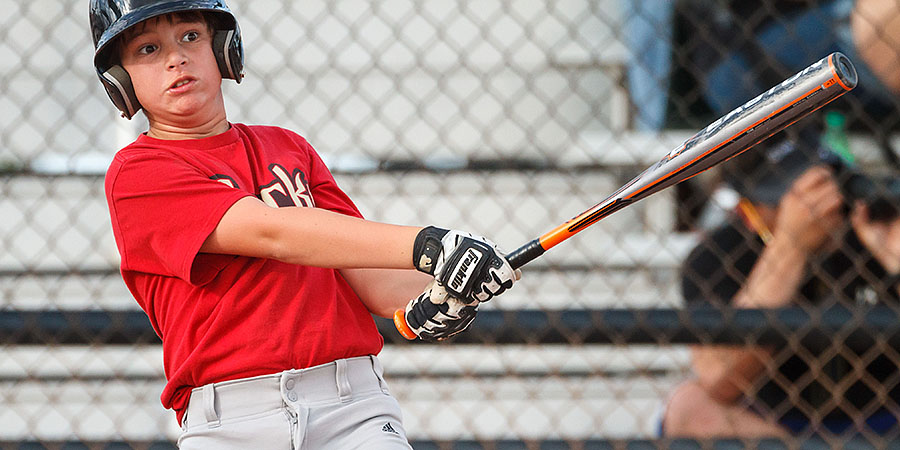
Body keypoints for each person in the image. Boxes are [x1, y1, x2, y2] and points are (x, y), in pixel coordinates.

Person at [89, 1, 519, 447]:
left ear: (223, 48)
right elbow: (271, 233)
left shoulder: (287, 146)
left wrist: (447, 287)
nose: (175, 58)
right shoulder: (138, 172)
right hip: (231, 422)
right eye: (147, 49)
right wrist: (432, 246)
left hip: (353, 407)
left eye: (191, 36)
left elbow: (369, 274)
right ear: (120, 81)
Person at [662, 141, 900, 438]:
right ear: (750, 210)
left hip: (882, 417)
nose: (822, 207)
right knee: (689, 406)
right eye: (790, 199)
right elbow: (718, 377)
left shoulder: (873, 226)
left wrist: (893, 261)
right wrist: (790, 247)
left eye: (823, 188)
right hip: (776, 426)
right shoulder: (717, 256)